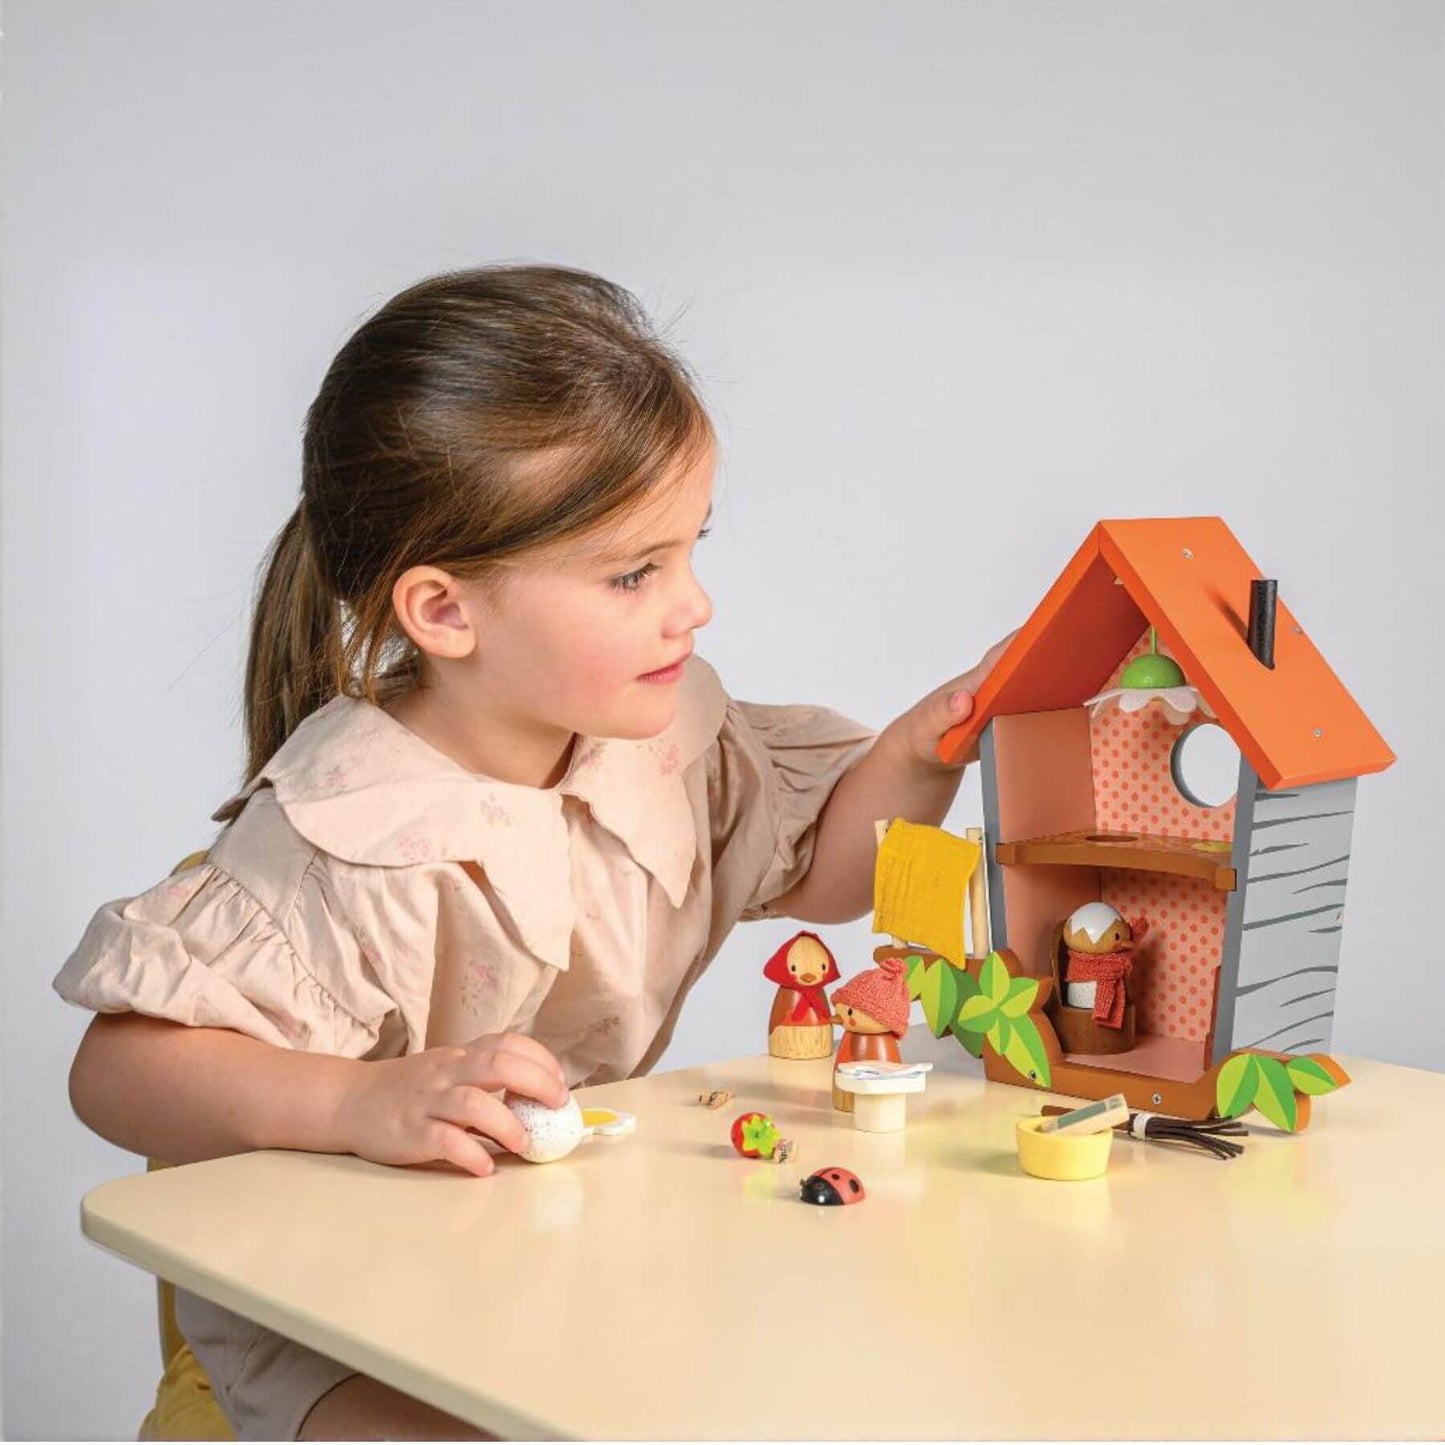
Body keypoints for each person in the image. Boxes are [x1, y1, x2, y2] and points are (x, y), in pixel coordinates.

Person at [55, 265, 1006, 1440]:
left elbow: (825, 872)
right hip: (328, 1315)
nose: (692, 604)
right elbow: (116, 1070)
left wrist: (927, 743)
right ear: (445, 613)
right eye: (633, 573)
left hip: (526, 1271)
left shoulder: (655, 744)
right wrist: (356, 1099)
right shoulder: (349, 831)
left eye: (688, 549)